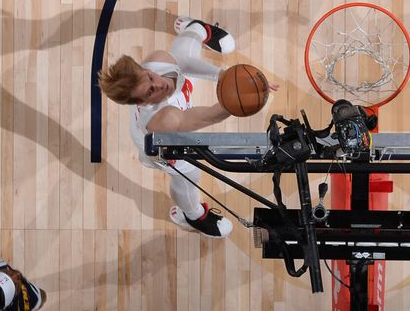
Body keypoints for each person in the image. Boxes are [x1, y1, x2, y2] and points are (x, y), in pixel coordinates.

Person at [97, 16, 276, 238]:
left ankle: (199, 29)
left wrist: (226, 76)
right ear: (141, 102)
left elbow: (184, 64)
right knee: (188, 173)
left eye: (150, 77)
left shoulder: (156, 61)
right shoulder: (165, 120)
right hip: (163, 144)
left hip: (176, 107)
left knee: (186, 46)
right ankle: (193, 216)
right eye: (150, 91)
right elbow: (210, 116)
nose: (160, 84)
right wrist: (249, 93)